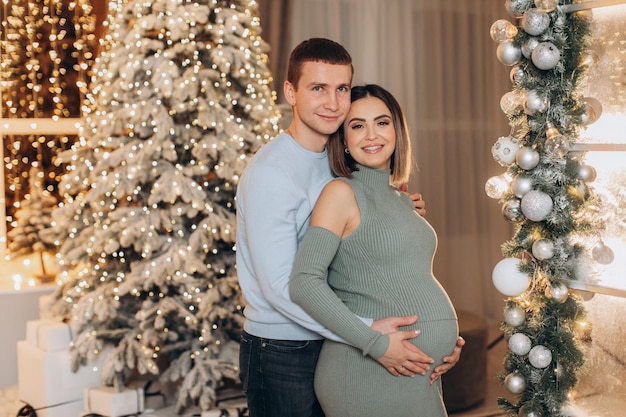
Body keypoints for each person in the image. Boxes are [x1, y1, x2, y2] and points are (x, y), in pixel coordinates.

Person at [236, 38, 462, 417]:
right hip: (282, 349)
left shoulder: (338, 157)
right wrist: (370, 335)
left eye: (341, 88)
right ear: (290, 92)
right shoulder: (270, 174)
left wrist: (400, 207)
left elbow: (364, 244)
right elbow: (282, 287)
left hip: (336, 341)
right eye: (318, 88)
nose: (333, 102)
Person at [289, 84, 460, 417]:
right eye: (357, 125)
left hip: (418, 372)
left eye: (381, 122)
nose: (371, 134)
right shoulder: (340, 193)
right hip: (366, 373)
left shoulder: (401, 198)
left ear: (397, 130)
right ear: (344, 139)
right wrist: (376, 344)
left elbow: (405, 277)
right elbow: (304, 282)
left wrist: (447, 340)